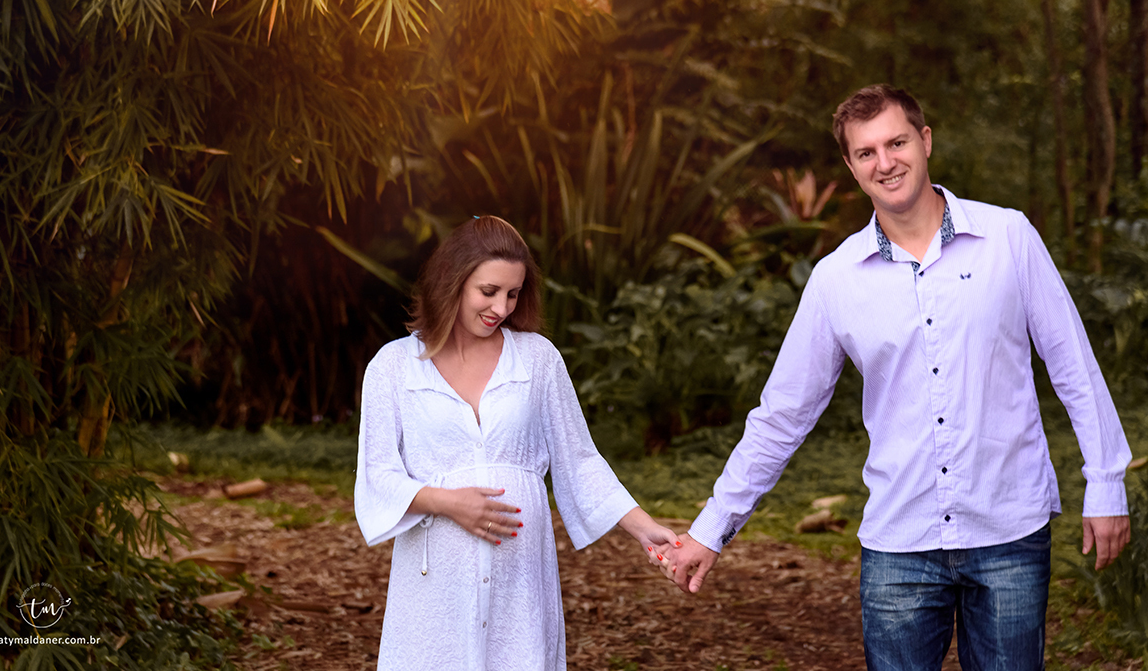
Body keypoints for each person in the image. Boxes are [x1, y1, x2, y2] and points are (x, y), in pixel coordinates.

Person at [661, 85, 1133, 670]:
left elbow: (1074, 367)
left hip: (1009, 529)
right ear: (851, 166)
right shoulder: (836, 279)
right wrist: (712, 528)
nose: (885, 162)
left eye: (896, 142)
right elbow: (782, 416)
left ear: (925, 140)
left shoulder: (1009, 238)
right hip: (899, 545)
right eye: (866, 152)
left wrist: (1106, 481)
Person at [354, 215, 679, 671]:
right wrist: (447, 502)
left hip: (521, 578)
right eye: (488, 292)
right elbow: (378, 475)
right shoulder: (393, 367)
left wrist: (645, 527)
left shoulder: (538, 358)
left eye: (513, 293)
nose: (502, 307)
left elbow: (579, 460)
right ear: (452, 281)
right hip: (436, 584)